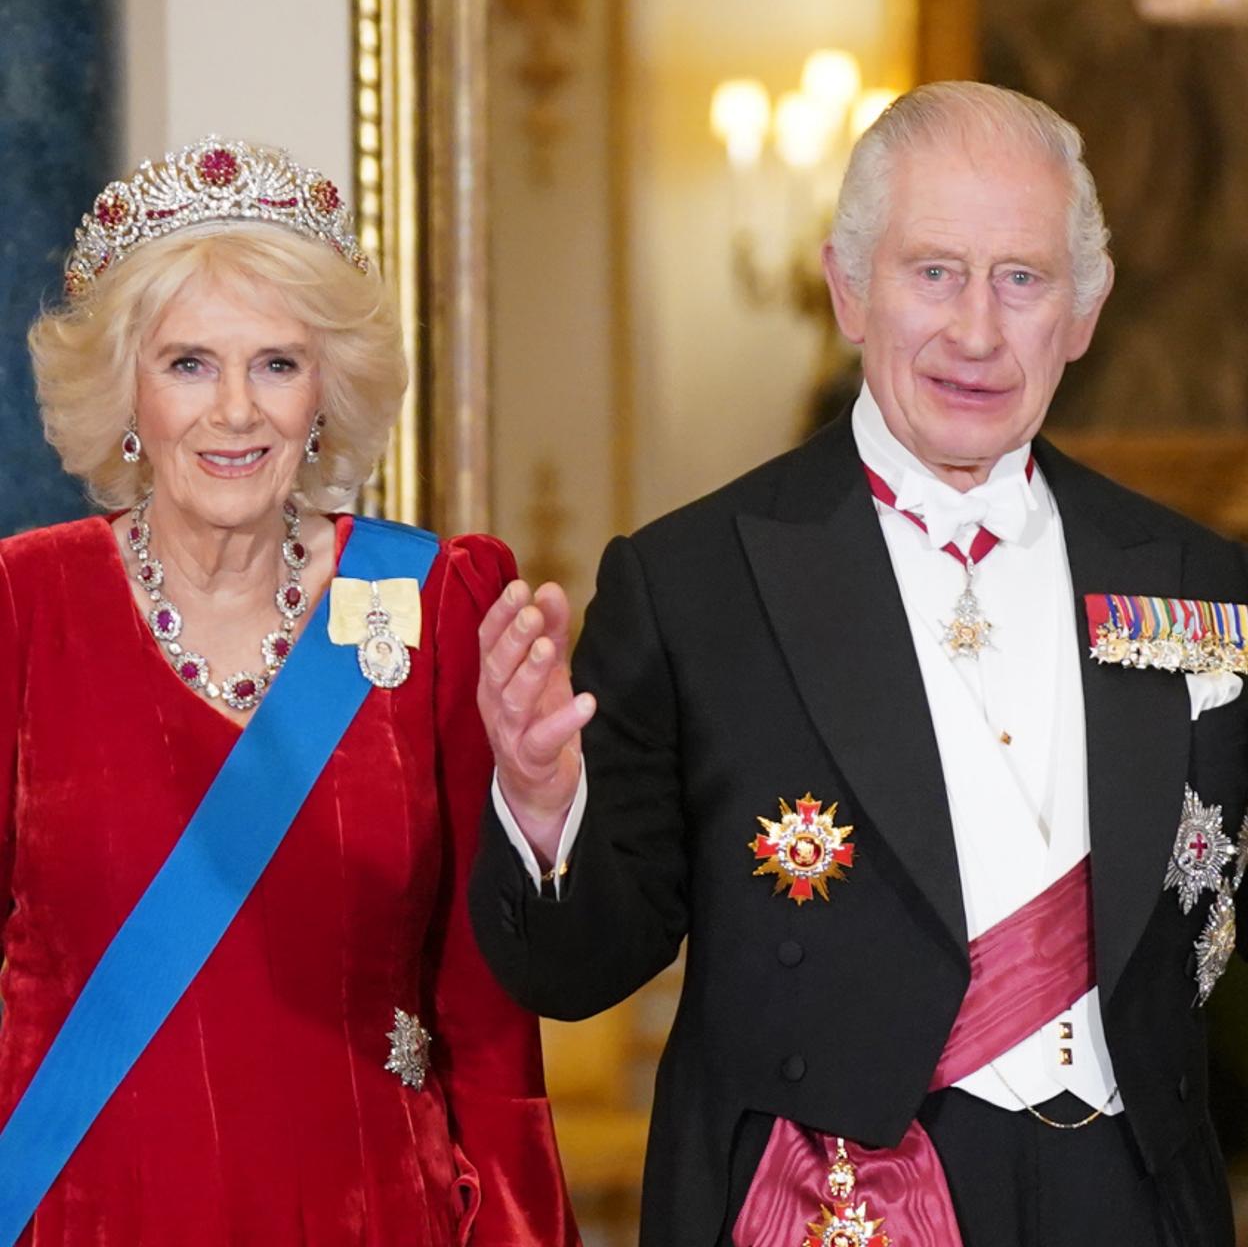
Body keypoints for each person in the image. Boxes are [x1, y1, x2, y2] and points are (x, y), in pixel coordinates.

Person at [471, 82, 1248, 1246]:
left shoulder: (1199, 581)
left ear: (1084, 314)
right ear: (848, 286)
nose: (977, 332)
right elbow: (580, 970)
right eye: (933, 271)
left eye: (1022, 280)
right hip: (834, 1201)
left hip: (1134, 1202)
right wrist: (542, 809)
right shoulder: (696, 585)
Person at [0, 136, 577, 1246]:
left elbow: (487, 1011)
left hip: (366, 1211)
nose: (235, 413)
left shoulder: (431, 600)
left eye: (275, 363)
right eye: (187, 364)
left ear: (326, 390)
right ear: (124, 389)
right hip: (86, 1212)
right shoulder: (27, 606)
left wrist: (540, 806)